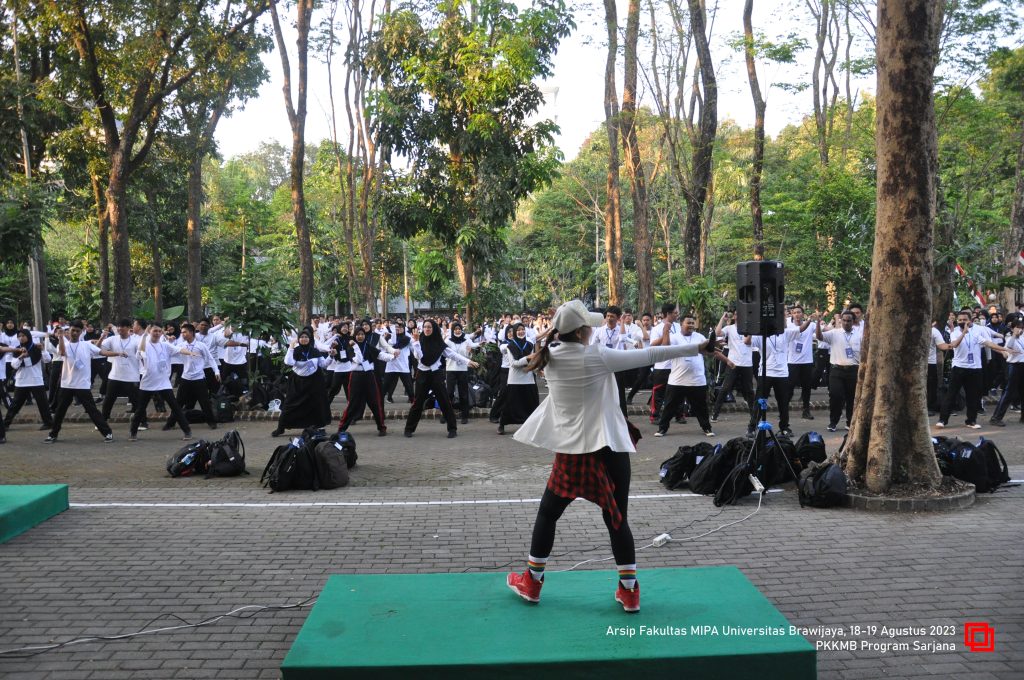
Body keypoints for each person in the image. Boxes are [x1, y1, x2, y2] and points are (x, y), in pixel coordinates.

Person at [506, 300, 719, 612]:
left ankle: (533, 583)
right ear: (581, 332)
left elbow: (520, 363)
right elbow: (651, 354)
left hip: (572, 452)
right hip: (610, 449)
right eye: (589, 325)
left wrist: (532, 354)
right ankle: (629, 591)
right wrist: (698, 347)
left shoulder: (549, 356)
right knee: (617, 518)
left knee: (548, 514)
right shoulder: (596, 356)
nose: (593, 329)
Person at [653, 312, 728, 437]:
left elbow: (709, 352)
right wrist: (666, 330)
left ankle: (707, 428)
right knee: (669, 407)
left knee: (701, 407)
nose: (691, 325)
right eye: (688, 323)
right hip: (677, 380)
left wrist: (728, 361)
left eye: (693, 323)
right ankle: (662, 429)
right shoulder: (675, 337)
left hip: (697, 380)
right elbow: (665, 348)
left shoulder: (699, 337)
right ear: (682, 324)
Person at [936, 309, 1013, 429]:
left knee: (973, 396)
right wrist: (964, 333)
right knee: (951, 394)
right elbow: (954, 345)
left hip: (975, 368)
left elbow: (988, 343)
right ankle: (943, 420)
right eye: (960, 320)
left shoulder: (976, 332)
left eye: (965, 320)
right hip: (959, 368)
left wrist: (1004, 349)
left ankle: (971, 420)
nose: (962, 322)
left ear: (970, 320)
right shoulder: (955, 332)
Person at [46, 323, 120, 444]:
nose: (74, 333)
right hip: (67, 384)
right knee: (60, 411)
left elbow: (101, 352)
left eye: (77, 331)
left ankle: (107, 432)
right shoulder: (63, 344)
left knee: (92, 410)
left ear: (81, 332)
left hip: (82, 384)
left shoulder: (86, 345)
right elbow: (62, 353)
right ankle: (53, 434)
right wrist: (60, 337)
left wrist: (118, 353)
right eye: (72, 330)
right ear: (68, 332)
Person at [404, 319, 479, 439]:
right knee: (417, 403)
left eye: (429, 327)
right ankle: (409, 429)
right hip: (422, 374)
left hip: (436, 375)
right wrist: (416, 342)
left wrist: (468, 361)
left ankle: (452, 429)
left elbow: (453, 354)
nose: (427, 329)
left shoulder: (439, 343)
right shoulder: (418, 340)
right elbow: (419, 357)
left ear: (434, 329)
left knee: (445, 401)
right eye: (425, 327)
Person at [130, 325, 193, 441]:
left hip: (163, 382)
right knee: (140, 409)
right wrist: (144, 336)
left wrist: (190, 353)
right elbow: (141, 351)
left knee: (175, 407)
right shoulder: (144, 344)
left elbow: (179, 350)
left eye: (159, 331)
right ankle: (133, 433)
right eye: (155, 331)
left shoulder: (165, 345)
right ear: (150, 332)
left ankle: (187, 431)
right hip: (148, 382)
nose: (157, 333)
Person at [273, 328, 332, 436]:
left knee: (318, 404)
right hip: (298, 382)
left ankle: (320, 427)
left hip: (314, 381)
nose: (304, 339)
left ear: (310, 339)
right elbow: (289, 362)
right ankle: (281, 427)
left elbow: (323, 364)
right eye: (302, 337)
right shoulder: (295, 351)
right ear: (298, 339)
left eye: (306, 337)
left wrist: (331, 356)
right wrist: (291, 346)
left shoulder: (314, 351)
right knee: (289, 405)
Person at [163, 323, 219, 432]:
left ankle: (211, 422)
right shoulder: (181, 346)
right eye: (182, 332)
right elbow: (169, 351)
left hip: (199, 378)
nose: (183, 334)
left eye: (185, 332)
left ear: (192, 332)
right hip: (186, 378)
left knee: (204, 402)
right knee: (178, 402)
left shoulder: (201, 345)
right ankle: (170, 423)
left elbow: (210, 359)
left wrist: (216, 371)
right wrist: (168, 340)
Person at [336, 326, 389, 436]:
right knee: (353, 404)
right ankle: (342, 428)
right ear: (354, 336)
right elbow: (358, 360)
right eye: (358, 334)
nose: (360, 336)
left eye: (362, 334)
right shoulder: (350, 347)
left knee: (375, 402)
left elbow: (380, 355)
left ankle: (381, 427)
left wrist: (393, 356)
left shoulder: (368, 346)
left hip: (369, 376)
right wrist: (355, 346)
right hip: (356, 376)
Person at [815, 311, 861, 432]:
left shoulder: (859, 334)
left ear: (853, 321)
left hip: (853, 370)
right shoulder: (835, 333)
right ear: (841, 321)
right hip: (836, 370)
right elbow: (820, 337)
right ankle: (833, 422)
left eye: (849, 320)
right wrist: (818, 323)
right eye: (844, 320)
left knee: (852, 398)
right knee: (836, 396)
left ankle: (850, 422)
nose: (846, 323)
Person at [2, 329, 55, 432]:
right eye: (19, 336)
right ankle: (6, 423)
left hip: (36, 380)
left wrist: (43, 350)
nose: (21, 338)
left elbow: (47, 360)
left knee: (42, 403)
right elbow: (14, 365)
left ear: (28, 336)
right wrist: (21, 356)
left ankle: (48, 423)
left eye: (23, 336)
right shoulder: (17, 349)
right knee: (15, 404)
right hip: (22, 381)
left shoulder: (36, 347)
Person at [99, 319, 146, 430]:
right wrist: (102, 338)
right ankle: (103, 421)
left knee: (136, 401)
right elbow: (99, 350)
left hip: (131, 376)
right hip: (115, 375)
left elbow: (143, 355)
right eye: (119, 326)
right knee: (109, 399)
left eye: (123, 326)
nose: (120, 328)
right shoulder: (112, 339)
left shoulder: (136, 341)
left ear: (129, 328)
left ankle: (143, 422)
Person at [711, 311, 757, 422]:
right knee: (725, 388)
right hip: (733, 363)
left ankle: (754, 416)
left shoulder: (751, 329)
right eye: (737, 314)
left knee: (749, 390)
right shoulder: (729, 328)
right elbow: (717, 333)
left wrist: (750, 330)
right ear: (735, 317)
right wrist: (722, 319)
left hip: (747, 364)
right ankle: (715, 414)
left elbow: (748, 342)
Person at [497, 323, 539, 435]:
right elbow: (514, 364)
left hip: (528, 378)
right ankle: (502, 424)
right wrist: (527, 358)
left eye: (523, 330)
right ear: (515, 332)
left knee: (530, 403)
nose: (521, 332)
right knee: (509, 404)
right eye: (519, 330)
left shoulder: (529, 344)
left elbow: (532, 361)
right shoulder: (510, 346)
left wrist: (536, 368)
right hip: (515, 379)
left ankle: (532, 425)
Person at [446, 322, 481, 425]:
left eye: (459, 329)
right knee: (449, 393)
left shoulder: (466, 341)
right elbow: (445, 354)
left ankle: (465, 416)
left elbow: (468, 358)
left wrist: (470, 352)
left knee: (463, 393)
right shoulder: (448, 341)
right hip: (451, 369)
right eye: (455, 329)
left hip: (462, 369)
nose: (457, 331)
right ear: (452, 330)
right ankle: (447, 414)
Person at [990, 318, 1023, 426]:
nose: (1020, 329)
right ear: (1013, 328)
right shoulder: (1009, 337)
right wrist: (1014, 334)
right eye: (1018, 327)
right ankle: (996, 417)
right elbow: (1008, 347)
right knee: (1008, 392)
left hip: (1022, 365)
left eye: (1022, 327)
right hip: (1014, 366)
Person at [786, 306, 817, 420]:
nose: (797, 314)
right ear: (792, 315)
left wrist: (818, 321)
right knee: (789, 387)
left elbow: (824, 331)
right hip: (792, 361)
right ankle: (784, 410)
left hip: (807, 361)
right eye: (794, 313)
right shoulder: (788, 327)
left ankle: (806, 410)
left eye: (799, 312)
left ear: (803, 314)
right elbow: (801, 328)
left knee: (806, 387)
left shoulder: (812, 325)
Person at [382, 322, 414, 403]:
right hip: (391, 364)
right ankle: (382, 399)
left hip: (403, 364)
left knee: (408, 383)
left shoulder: (407, 338)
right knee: (386, 383)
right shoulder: (390, 337)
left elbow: (410, 347)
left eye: (400, 327)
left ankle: (412, 399)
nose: (398, 329)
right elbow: (386, 346)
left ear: (404, 328)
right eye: (396, 327)